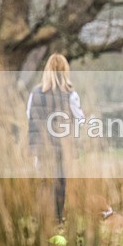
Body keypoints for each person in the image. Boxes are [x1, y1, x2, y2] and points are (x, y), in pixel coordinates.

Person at [26, 53, 85, 224]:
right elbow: (80, 118)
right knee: (60, 181)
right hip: (62, 145)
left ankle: (39, 217)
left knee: (44, 180)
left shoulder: (35, 93)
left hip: (41, 146)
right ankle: (58, 219)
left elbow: (29, 115)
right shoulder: (71, 94)